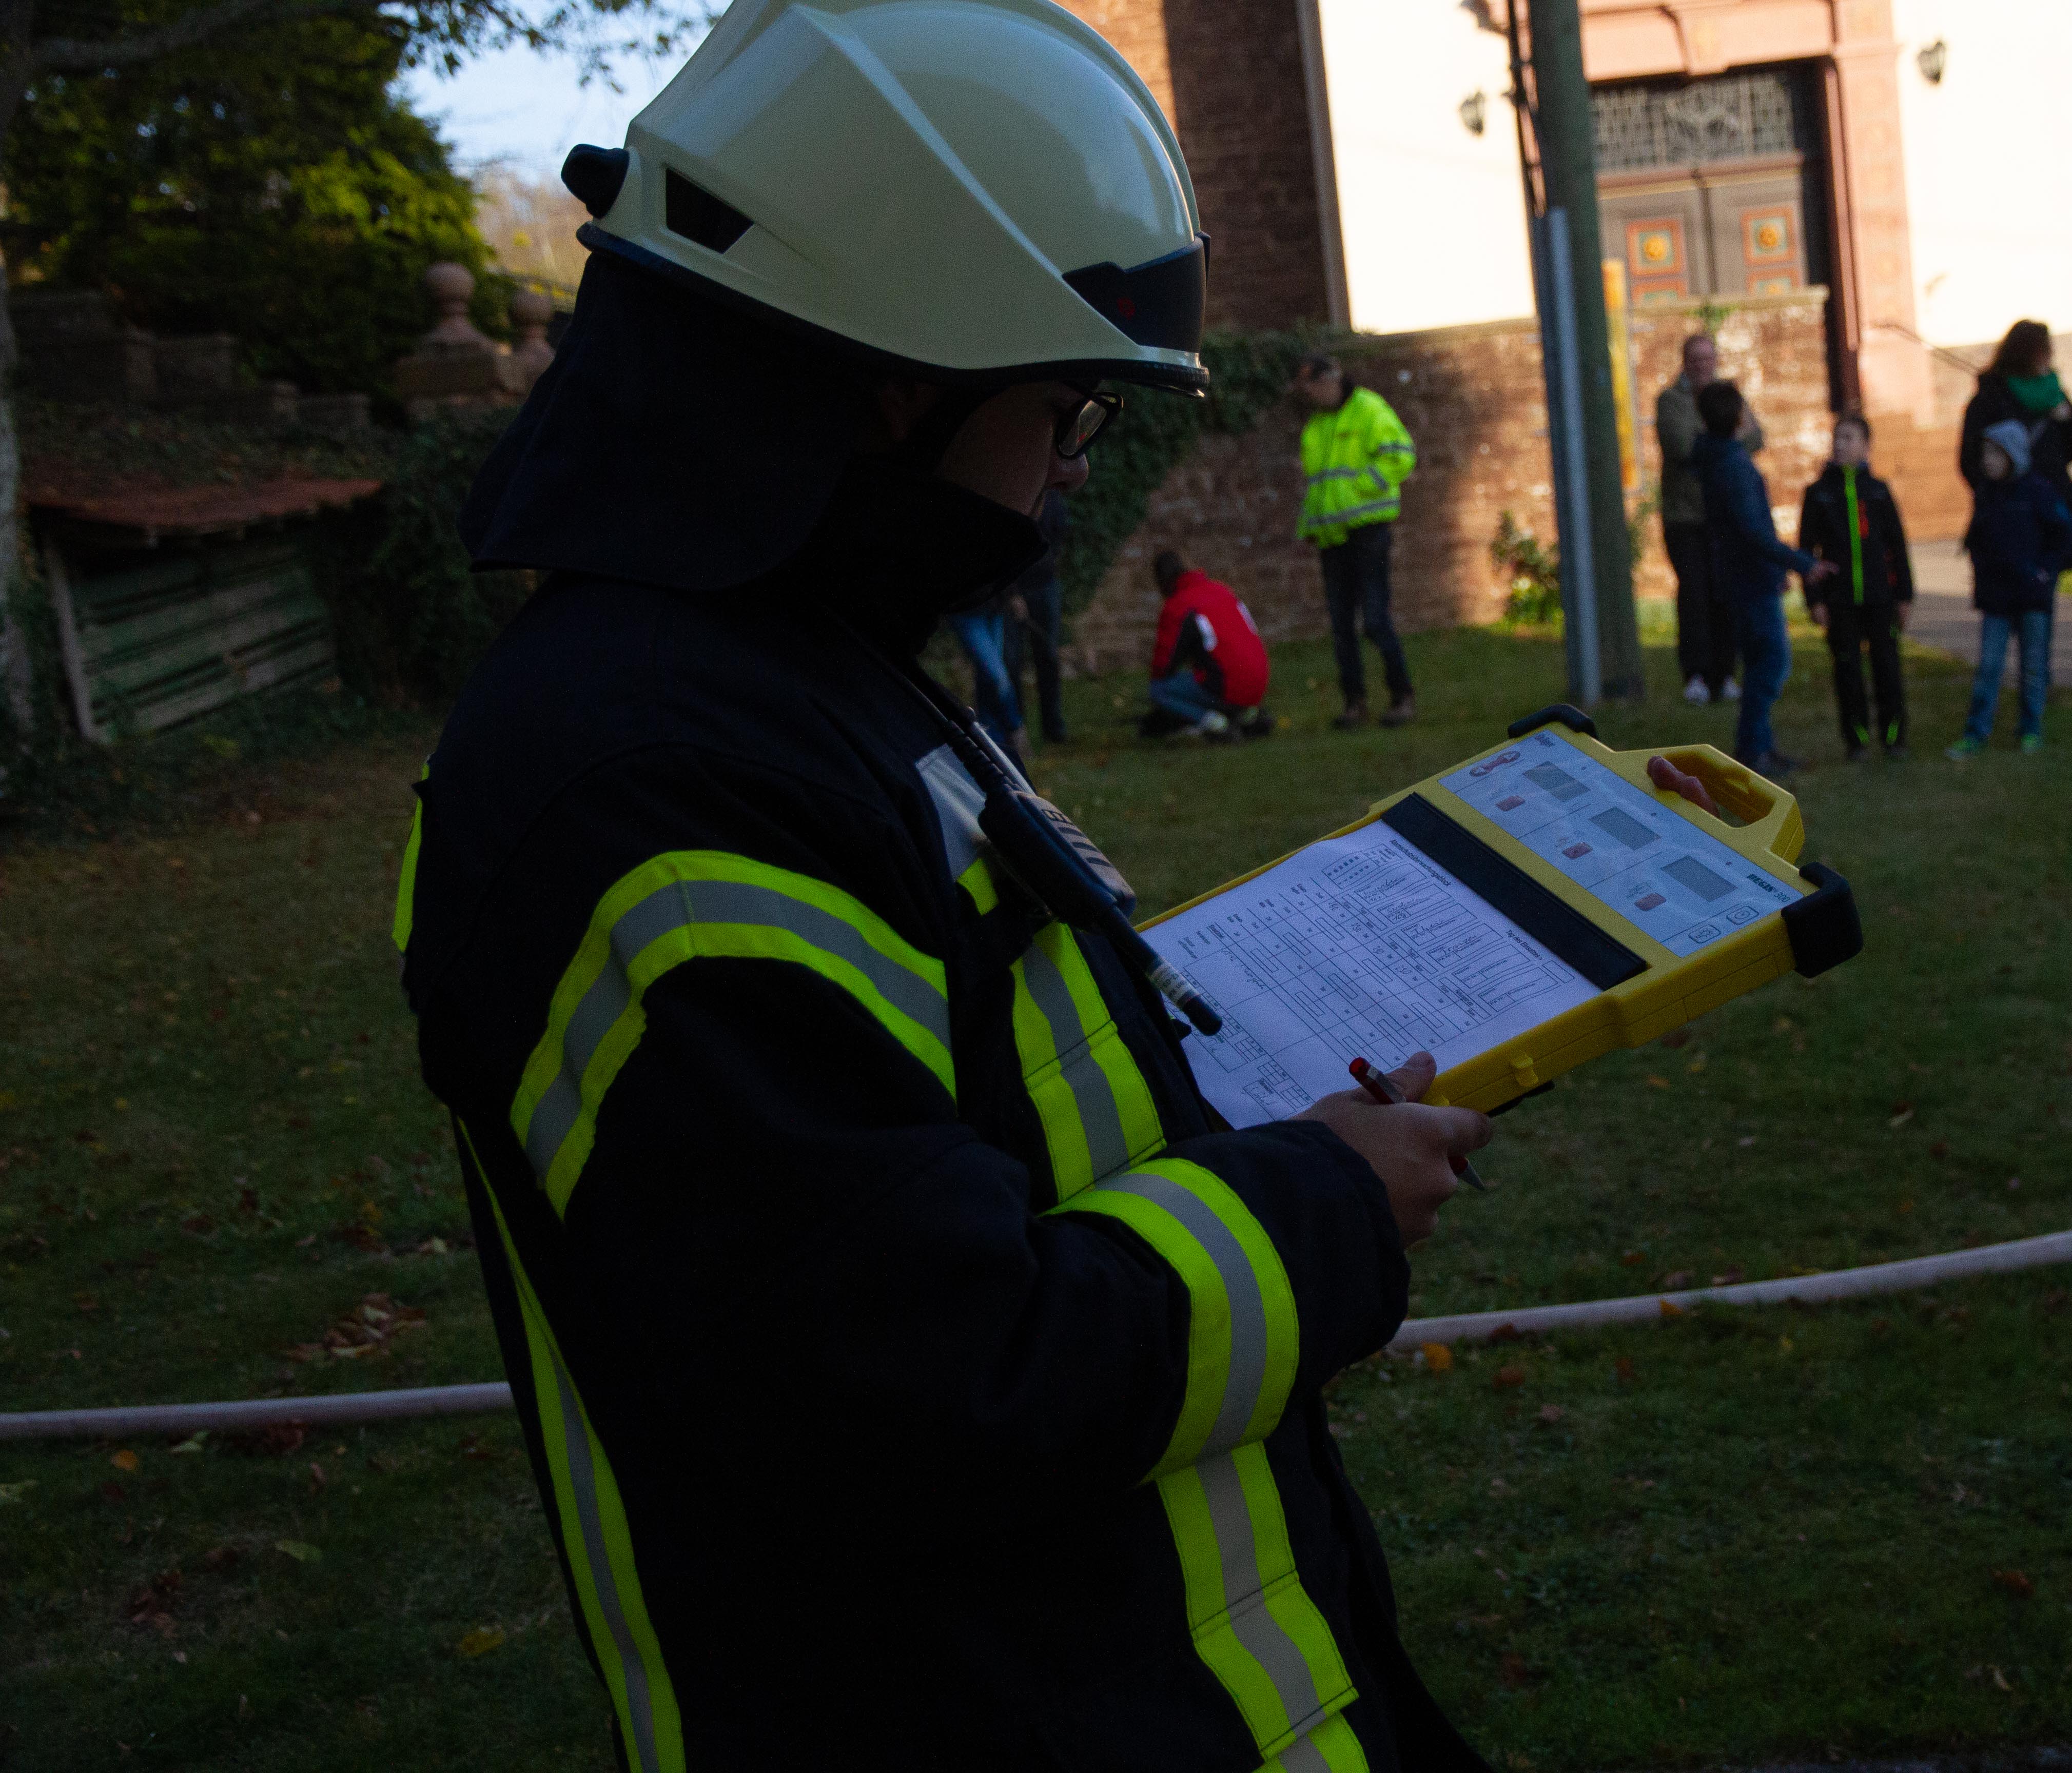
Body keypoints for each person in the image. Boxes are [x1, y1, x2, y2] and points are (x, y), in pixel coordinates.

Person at [400, 6, 1495, 1766]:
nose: (1075, 464)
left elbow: (955, 1102)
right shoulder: (652, 788)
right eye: (1061, 405)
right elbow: (930, 1376)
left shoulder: (772, 678)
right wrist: (1326, 1203)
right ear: (893, 380)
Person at [1694, 379, 1833, 775]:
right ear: (1739, 418)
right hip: (1749, 580)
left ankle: (1760, 747)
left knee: (1760, 661)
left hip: (1743, 576)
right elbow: (1754, 532)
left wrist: (1779, 569)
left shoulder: (1716, 459)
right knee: (1771, 662)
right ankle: (1754, 749)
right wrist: (1802, 564)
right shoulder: (1733, 466)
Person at [1295, 352, 1418, 728]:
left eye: (1312, 388)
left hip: (1368, 532)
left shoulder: (1369, 408)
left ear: (1330, 380)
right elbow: (1319, 486)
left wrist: (1364, 487)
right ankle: (1355, 704)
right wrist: (1311, 526)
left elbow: (1401, 455)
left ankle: (1402, 697)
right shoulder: (1318, 424)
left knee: (1376, 620)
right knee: (1341, 627)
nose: (1310, 397)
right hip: (1332, 539)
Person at [1948, 421, 2072, 759]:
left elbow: (2064, 533)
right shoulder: (1986, 495)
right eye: (1986, 454)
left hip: (2032, 595)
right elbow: (1979, 540)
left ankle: (2031, 728)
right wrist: (1980, 572)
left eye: (1995, 454)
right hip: (1996, 597)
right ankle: (1976, 731)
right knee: (1989, 666)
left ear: (2013, 455)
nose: (1988, 461)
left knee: (2033, 666)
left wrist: (2044, 571)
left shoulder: (2038, 491)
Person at [1796, 412, 1913, 758]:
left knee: (1887, 667)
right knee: (1847, 670)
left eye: (1850, 438)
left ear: (1866, 446)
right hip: (1840, 599)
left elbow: (1897, 546)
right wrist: (1815, 599)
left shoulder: (1878, 493)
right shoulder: (1819, 494)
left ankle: (1894, 737)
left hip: (1880, 598)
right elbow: (1806, 551)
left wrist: (1904, 596)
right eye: (1838, 437)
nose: (1841, 444)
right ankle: (1857, 740)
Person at [1655, 333, 1760, 704]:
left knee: (1725, 593)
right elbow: (1683, 448)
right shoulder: (1671, 401)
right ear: (1685, 362)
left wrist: (1715, 444)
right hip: (1685, 517)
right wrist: (1728, 442)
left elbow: (1757, 436)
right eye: (1695, 358)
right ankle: (1697, 674)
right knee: (1695, 593)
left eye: (1708, 357)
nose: (1703, 364)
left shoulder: (1729, 396)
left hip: (1722, 515)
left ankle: (1725, 673)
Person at [1960, 318, 2072, 521]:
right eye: (2045, 351)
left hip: (2055, 506)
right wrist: (1996, 495)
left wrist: (2067, 422)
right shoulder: (1990, 398)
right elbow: (1970, 459)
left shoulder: (2054, 394)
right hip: (2009, 511)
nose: (2050, 357)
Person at [1143, 548, 1274, 740]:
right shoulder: (1221, 589)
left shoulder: (1177, 606)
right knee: (1216, 675)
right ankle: (1248, 714)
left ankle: (1215, 724)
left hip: (1227, 685)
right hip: (1259, 680)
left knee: (1159, 689)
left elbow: (1164, 665)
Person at [1009, 486, 1071, 744]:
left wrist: (1051, 562)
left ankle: (1053, 726)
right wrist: (1013, 592)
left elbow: (1061, 532)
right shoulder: (1014, 496)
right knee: (1013, 661)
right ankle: (1017, 728)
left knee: (1047, 655)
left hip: (1045, 584)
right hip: (1016, 588)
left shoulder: (1053, 499)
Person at [946, 594, 1026, 764]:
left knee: (986, 680)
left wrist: (1012, 594)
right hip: (965, 610)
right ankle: (1015, 729)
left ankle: (992, 742)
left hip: (993, 605)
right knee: (998, 678)